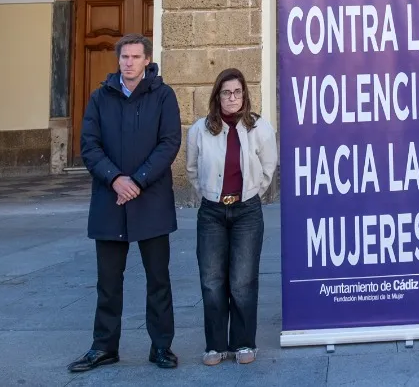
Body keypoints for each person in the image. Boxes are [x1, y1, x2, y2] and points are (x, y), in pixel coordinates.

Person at [68, 34, 182, 373]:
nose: (128, 62)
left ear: (147, 60)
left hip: (152, 200)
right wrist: (116, 179)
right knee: (108, 282)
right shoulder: (100, 97)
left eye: (135, 57)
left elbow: (169, 143)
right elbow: (89, 144)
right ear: (118, 60)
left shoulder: (163, 96)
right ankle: (104, 347)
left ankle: (161, 347)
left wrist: (138, 180)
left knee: (158, 280)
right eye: (124, 57)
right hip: (110, 200)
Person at [185, 68, 277, 366]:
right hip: (211, 211)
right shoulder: (200, 129)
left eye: (237, 92)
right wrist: (208, 193)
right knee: (212, 280)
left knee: (243, 280)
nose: (232, 97)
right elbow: (191, 169)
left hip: (247, 211)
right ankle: (215, 345)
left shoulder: (259, 128)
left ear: (245, 95)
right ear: (217, 96)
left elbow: (269, 166)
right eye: (226, 92)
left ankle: (243, 343)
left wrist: (252, 192)